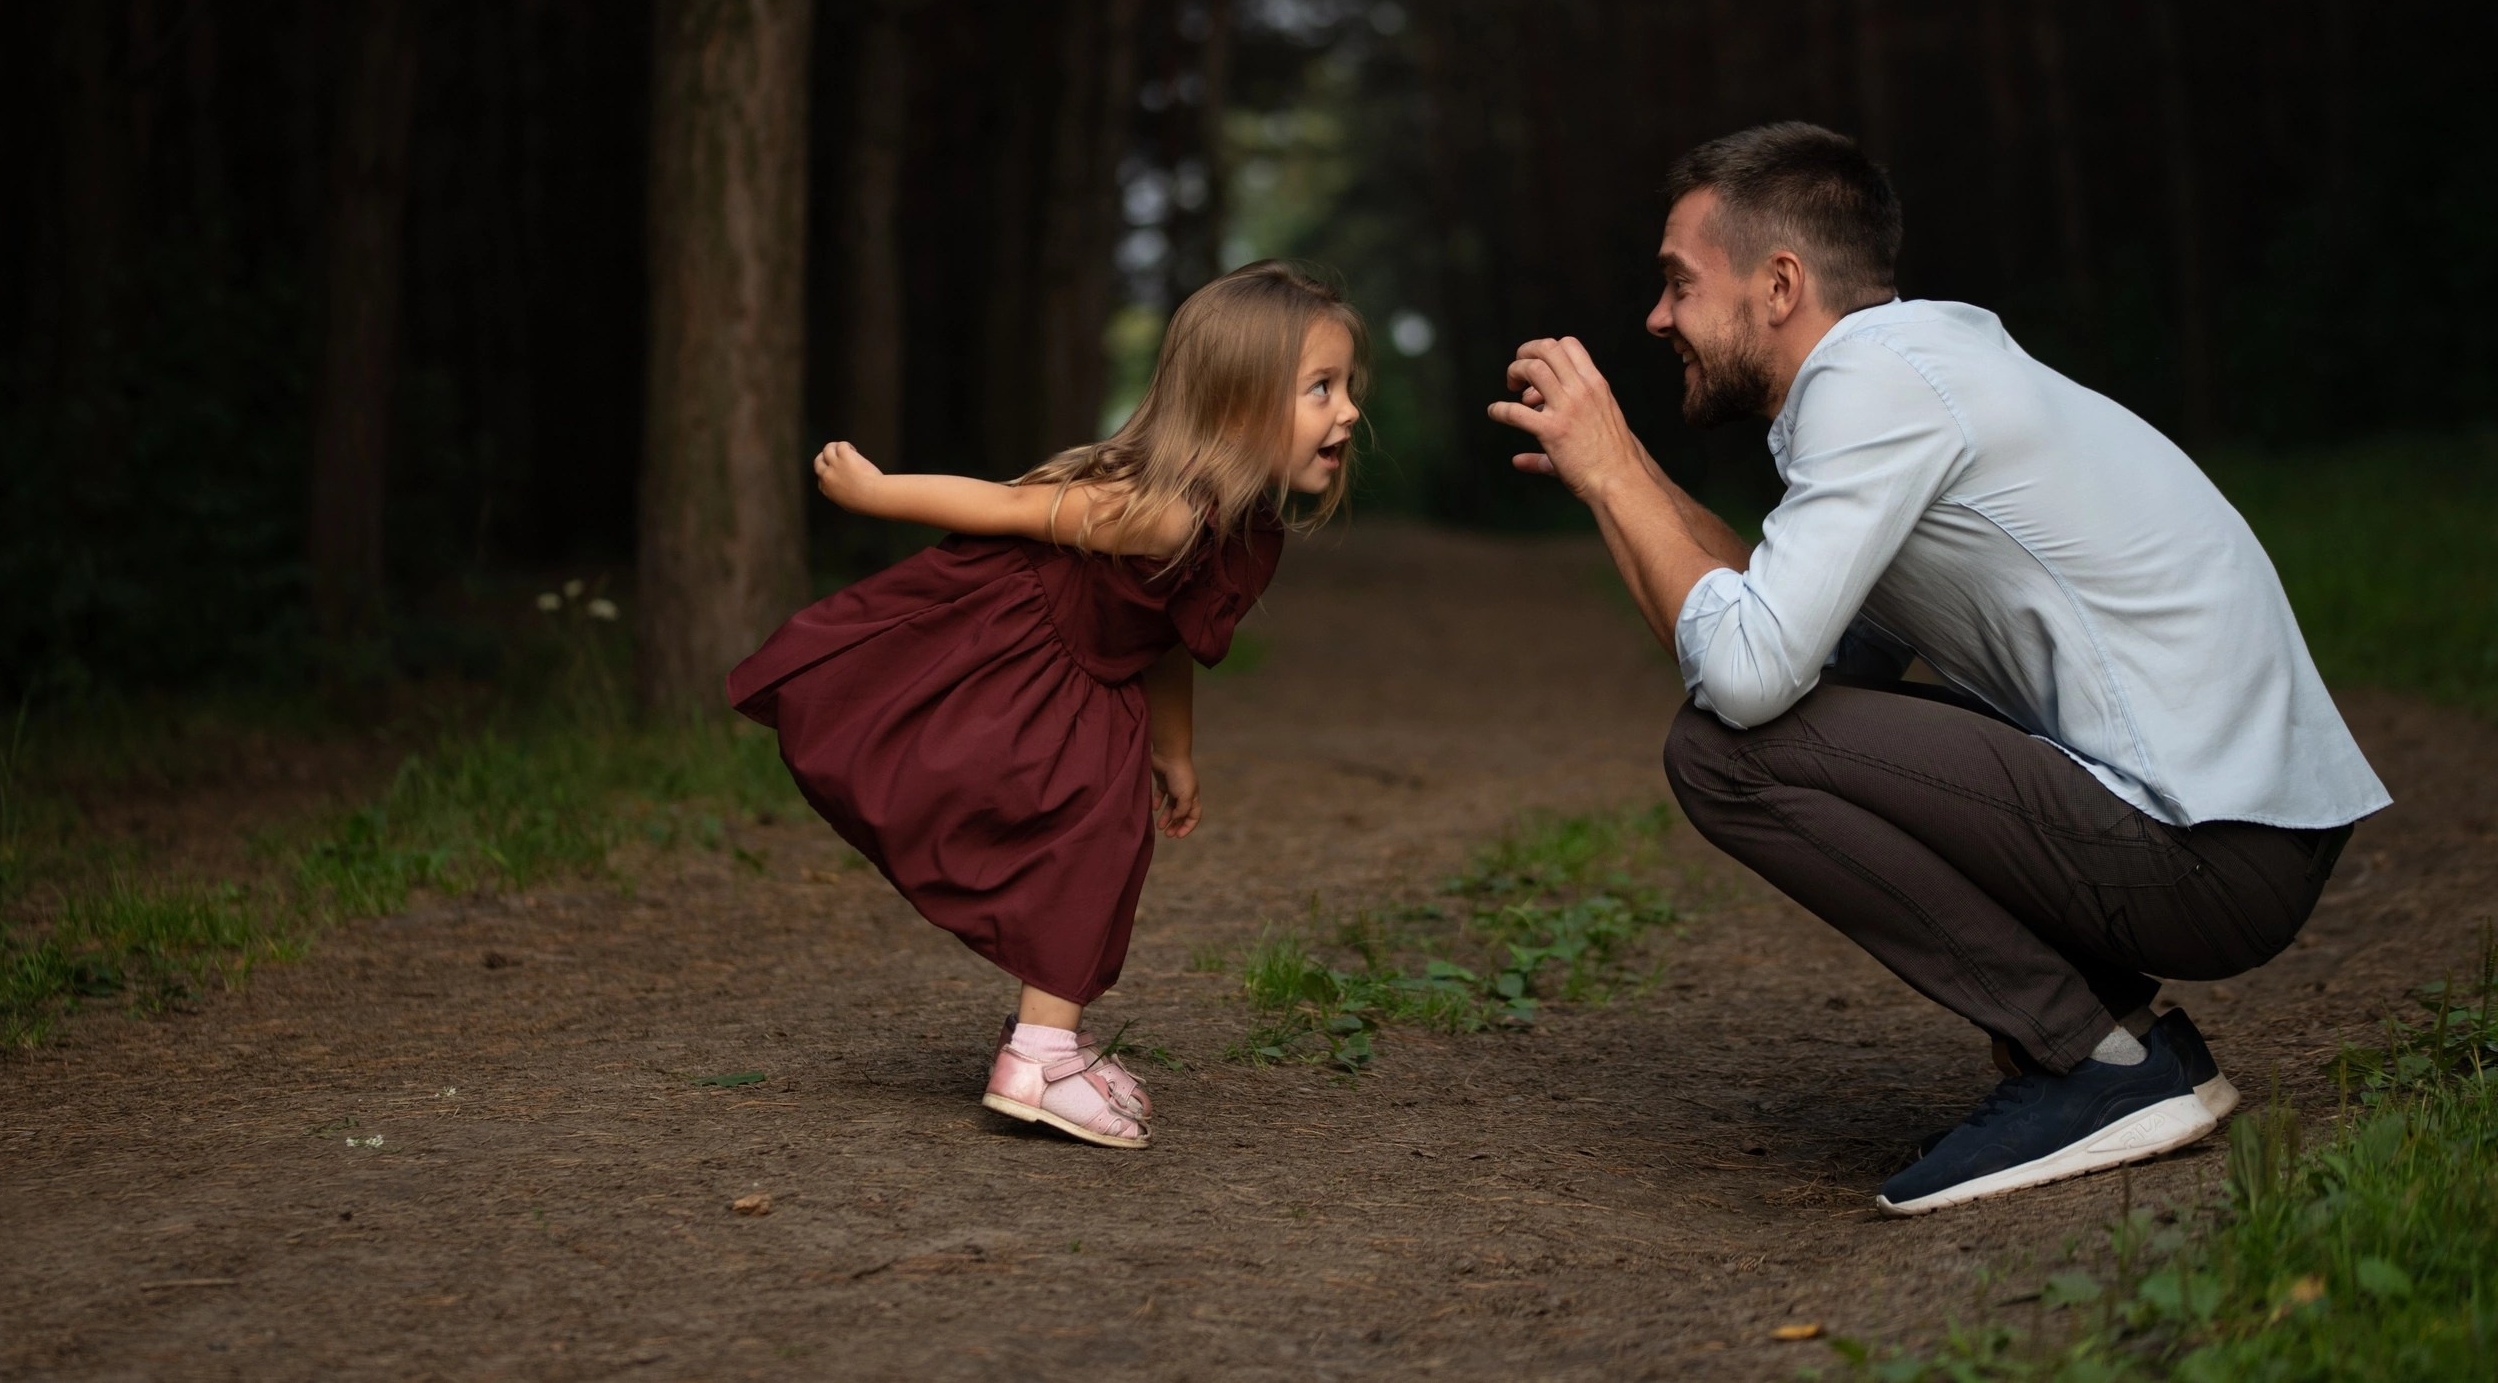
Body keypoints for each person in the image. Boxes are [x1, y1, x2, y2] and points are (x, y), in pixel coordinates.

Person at [1489, 122, 2388, 1215]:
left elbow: (1746, 687)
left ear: (1778, 284)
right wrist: (1615, 482)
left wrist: (1620, 468)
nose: (1658, 317)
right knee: (1763, 725)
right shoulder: (1910, 370)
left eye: (1677, 284)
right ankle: (2125, 1046)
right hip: (2234, 835)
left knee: (1722, 755)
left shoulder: (1872, 386)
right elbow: (1801, 655)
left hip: (2210, 851)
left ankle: (2095, 1065)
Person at [728, 261, 1366, 1149]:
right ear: (1235, 403)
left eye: (1347, 386)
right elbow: (1006, 507)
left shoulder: (1242, 522)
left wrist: (1174, 750)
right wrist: (877, 494)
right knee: (1084, 845)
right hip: (1021, 664)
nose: (1348, 410)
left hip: (1098, 682)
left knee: (1104, 850)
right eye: (1321, 388)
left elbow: (1166, 633)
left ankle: (1047, 1038)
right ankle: (1037, 1057)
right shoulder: (1163, 514)